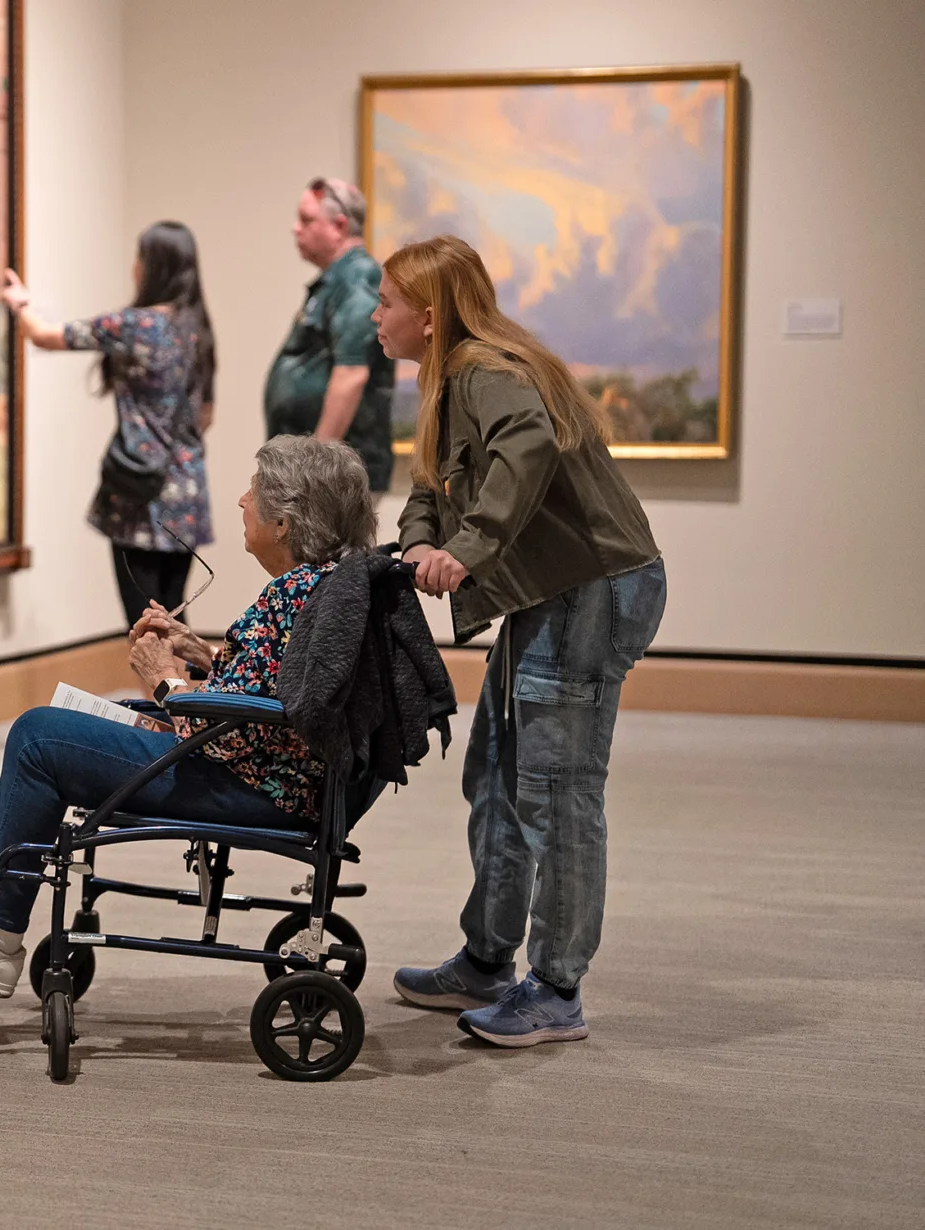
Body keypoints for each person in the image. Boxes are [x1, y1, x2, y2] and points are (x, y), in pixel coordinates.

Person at [0, 436, 374, 994]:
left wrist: (165, 678)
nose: (241, 500)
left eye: (254, 492)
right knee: (72, 725)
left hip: (245, 784)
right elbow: (283, 687)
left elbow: (234, 733)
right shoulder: (327, 585)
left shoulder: (296, 594)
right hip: (273, 777)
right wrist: (200, 651)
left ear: (284, 522)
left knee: (40, 737)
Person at [374, 235, 666, 1048]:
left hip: (591, 589)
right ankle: (487, 960)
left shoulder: (488, 373)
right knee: (497, 774)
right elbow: (428, 489)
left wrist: (463, 553)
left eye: (386, 301)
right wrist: (417, 543)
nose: (375, 314)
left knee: (555, 791)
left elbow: (527, 447)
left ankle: (558, 989)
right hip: (551, 594)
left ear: (427, 319)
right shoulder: (447, 384)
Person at [1, 221, 217, 628]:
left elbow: (45, 335)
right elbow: (206, 415)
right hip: (187, 493)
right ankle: (189, 692)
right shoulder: (197, 329)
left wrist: (20, 301)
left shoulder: (135, 326)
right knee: (174, 615)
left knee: (145, 625)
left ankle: (164, 693)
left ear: (151, 266)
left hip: (141, 496)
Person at [264, 178, 396, 494]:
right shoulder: (336, 280)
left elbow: (350, 375)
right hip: (317, 468)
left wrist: (315, 468)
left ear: (339, 226)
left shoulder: (355, 280)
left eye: (307, 220)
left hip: (333, 476)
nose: (296, 229)